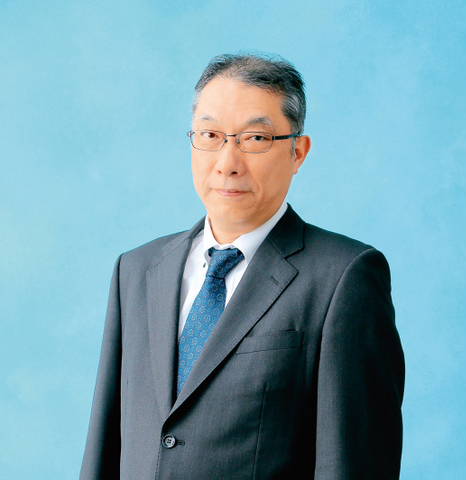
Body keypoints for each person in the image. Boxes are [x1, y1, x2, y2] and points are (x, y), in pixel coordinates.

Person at [80, 53, 405, 480]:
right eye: (210, 135)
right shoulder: (136, 270)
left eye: (255, 138)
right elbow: (105, 447)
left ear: (298, 152)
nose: (227, 163)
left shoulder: (344, 277)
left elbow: (352, 464)